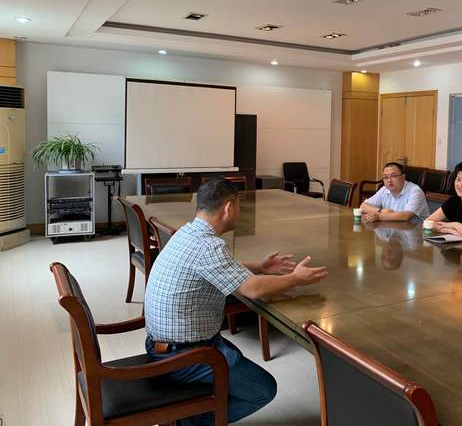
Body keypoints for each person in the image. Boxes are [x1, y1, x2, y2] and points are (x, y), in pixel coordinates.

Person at [144, 179, 328, 425]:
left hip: (164, 346)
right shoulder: (208, 246)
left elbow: (217, 267)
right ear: (229, 208)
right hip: (183, 356)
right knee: (262, 389)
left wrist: (260, 266)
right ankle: (190, 421)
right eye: (239, 206)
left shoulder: (188, 233)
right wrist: (295, 278)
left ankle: (194, 414)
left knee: (236, 362)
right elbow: (253, 290)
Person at [360, 162, 430, 223]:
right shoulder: (384, 190)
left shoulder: (415, 191)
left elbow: (406, 216)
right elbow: (363, 206)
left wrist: (379, 216)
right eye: (385, 177)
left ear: (403, 177)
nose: (389, 180)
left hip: (417, 230)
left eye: (393, 176)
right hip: (394, 228)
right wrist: (380, 211)